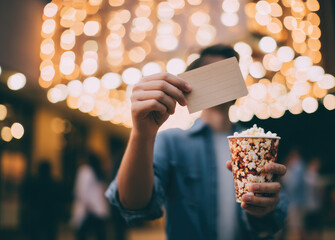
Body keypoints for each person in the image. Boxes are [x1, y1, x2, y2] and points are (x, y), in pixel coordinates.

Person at [106, 44, 288, 240]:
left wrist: (264, 210)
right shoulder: (172, 143)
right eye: (212, 72)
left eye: (229, 71)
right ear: (194, 83)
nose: (221, 79)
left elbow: (273, 220)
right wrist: (141, 135)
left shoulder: (256, 143)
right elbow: (133, 204)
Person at [72, 152, 109, 240]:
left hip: (87, 209)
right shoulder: (98, 172)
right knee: (100, 234)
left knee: (81, 234)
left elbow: (80, 190)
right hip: (99, 209)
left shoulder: (85, 171)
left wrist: (86, 206)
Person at [21, 161, 62, 240]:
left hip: (36, 213)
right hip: (50, 215)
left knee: (35, 235)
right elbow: (58, 200)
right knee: (49, 235)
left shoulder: (33, 182)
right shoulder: (54, 183)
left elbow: (26, 197)